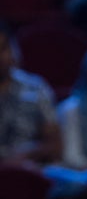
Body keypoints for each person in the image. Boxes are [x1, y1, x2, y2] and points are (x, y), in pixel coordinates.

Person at [0, 20, 62, 165]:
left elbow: (55, 145)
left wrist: (30, 152)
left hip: (26, 172)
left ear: (12, 50)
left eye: (3, 48)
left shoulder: (36, 88)